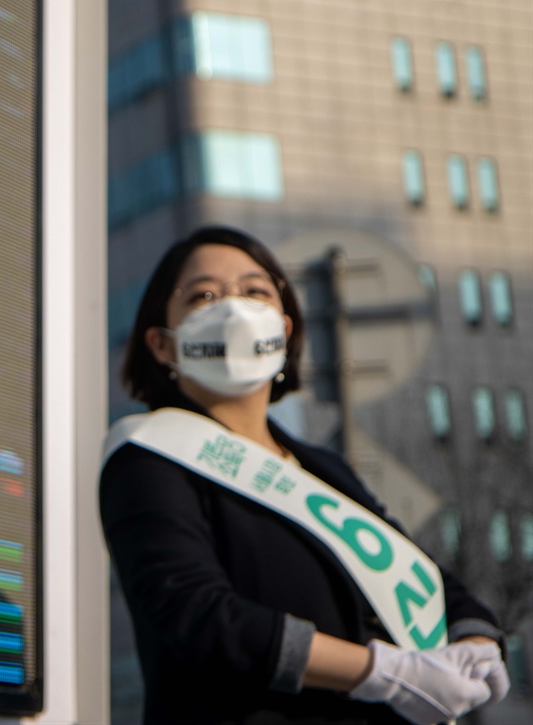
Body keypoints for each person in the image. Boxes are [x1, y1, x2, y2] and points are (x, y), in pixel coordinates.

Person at [98, 225, 509, 724]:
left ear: (285, 329)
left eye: (255, 291)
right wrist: (381, 670)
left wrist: (477, 636)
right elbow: (198, 617)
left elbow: (412, 572)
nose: (234, 308)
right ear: (162, 345)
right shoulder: (148, 456)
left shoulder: (322, 468)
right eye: (204, 295)